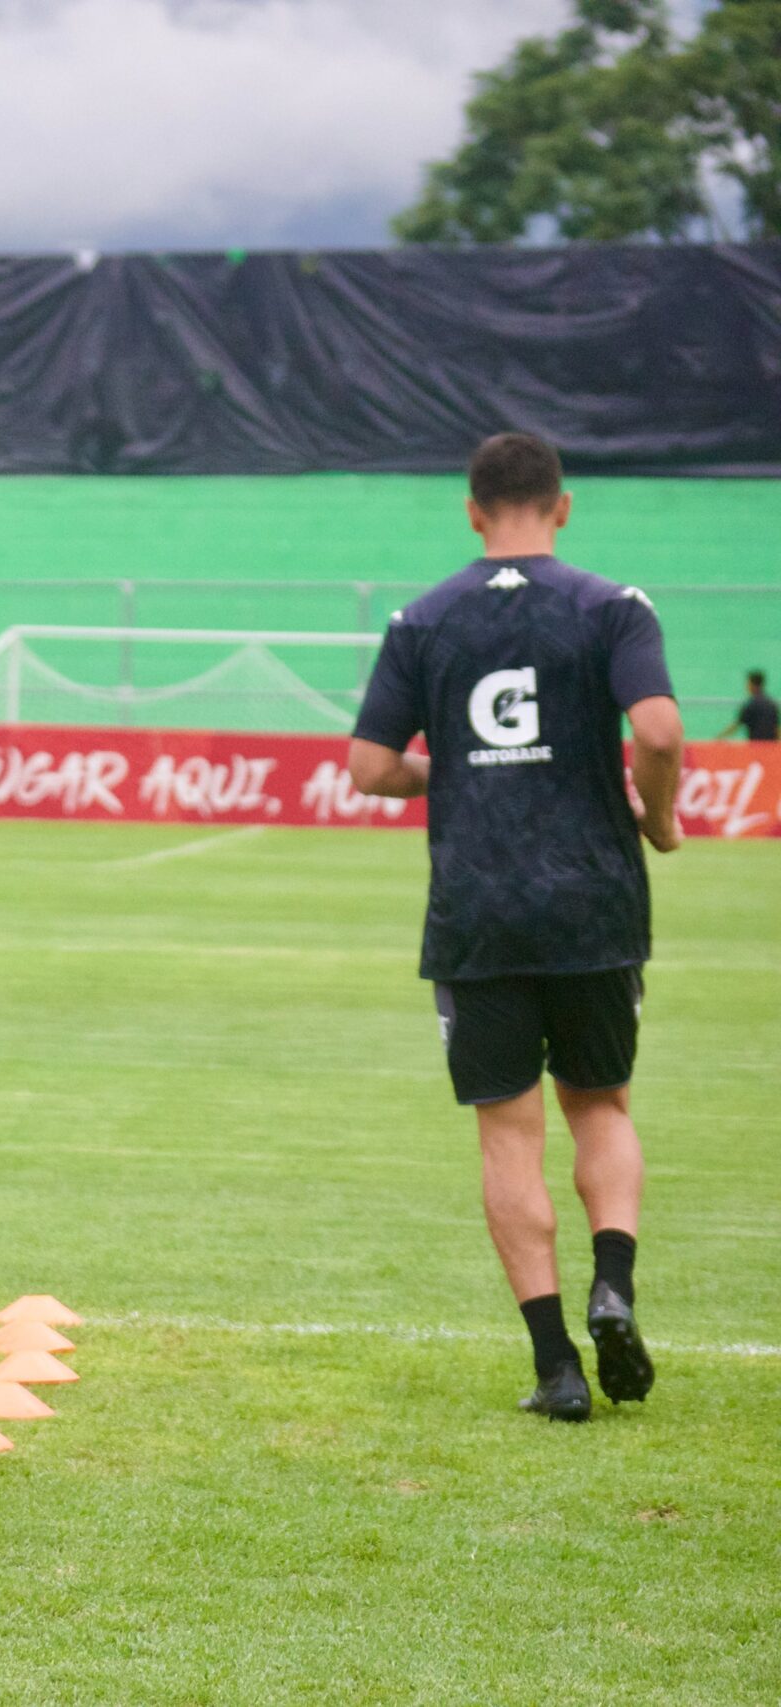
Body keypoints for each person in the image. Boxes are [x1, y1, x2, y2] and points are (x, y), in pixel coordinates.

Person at [349, 431, 681, 1424]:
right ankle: (611, 1283)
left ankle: (556, 1368)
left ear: (471, 510)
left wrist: (447, 776)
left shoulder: (425, 619)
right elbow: (659, 731)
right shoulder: (611, 607)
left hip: (479, 909)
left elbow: (368, 767)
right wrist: (657, 818)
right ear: (562, 507)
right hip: (591, 900)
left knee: (507, 1134)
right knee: (601, 1107)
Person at [712, 668, 776, 742]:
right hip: (771, 747)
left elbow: (736, 725)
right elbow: (777, 728)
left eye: (748, 683)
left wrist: (718, 738)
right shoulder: (772, 704)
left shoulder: (750, 705)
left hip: (756, 746)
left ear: (752, 685)